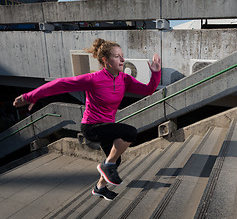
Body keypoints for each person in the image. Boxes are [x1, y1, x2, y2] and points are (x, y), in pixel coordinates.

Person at [13, 38, 161, 201]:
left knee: (115, 160)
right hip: (92, 127)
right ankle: (107, 166)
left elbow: (148, 90)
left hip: (107, 126)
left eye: (122, 56)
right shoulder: (93, 79)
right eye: (117, 56)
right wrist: (30, 96)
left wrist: (155, 73)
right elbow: (60, 84)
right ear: (105, 60)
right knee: (129, 133)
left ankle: (100, 188)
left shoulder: (123, 79)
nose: (123, 60)